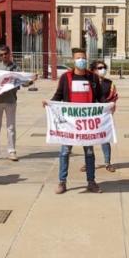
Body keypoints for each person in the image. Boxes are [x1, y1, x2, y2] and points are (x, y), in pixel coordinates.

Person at [45, 47, 105, 194]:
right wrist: (49, 103)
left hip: (87, 125)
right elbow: (58, 95)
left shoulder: (93, 77)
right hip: (69, 124)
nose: (81, 61)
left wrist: (109, 106)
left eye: (83, 58)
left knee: (89, 153)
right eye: (78, 58)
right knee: (65, 152)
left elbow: (100, 97)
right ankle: (62, 182)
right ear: (73, 60)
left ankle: (91, 182)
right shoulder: (66, 77)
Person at [0, 45, 32, 162]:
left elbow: (22, 81)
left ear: (9, 54)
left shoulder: (15, 67)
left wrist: (30, 81)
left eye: (5, 53)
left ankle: (12, 151)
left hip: (10, 100)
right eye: (1, 54)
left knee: (11, 127)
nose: (3, 56)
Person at [85, 59, 118, 172]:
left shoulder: (109, 83)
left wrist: (110, 109)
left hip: (103, 116)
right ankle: (88, 163)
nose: (102, 70)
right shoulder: (87, 82)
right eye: (99, 68)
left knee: (105, 138)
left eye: (104, 68)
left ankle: (107, 163)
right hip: (89, 115)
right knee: (88, 139)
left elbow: (113, 98)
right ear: (93, 70)